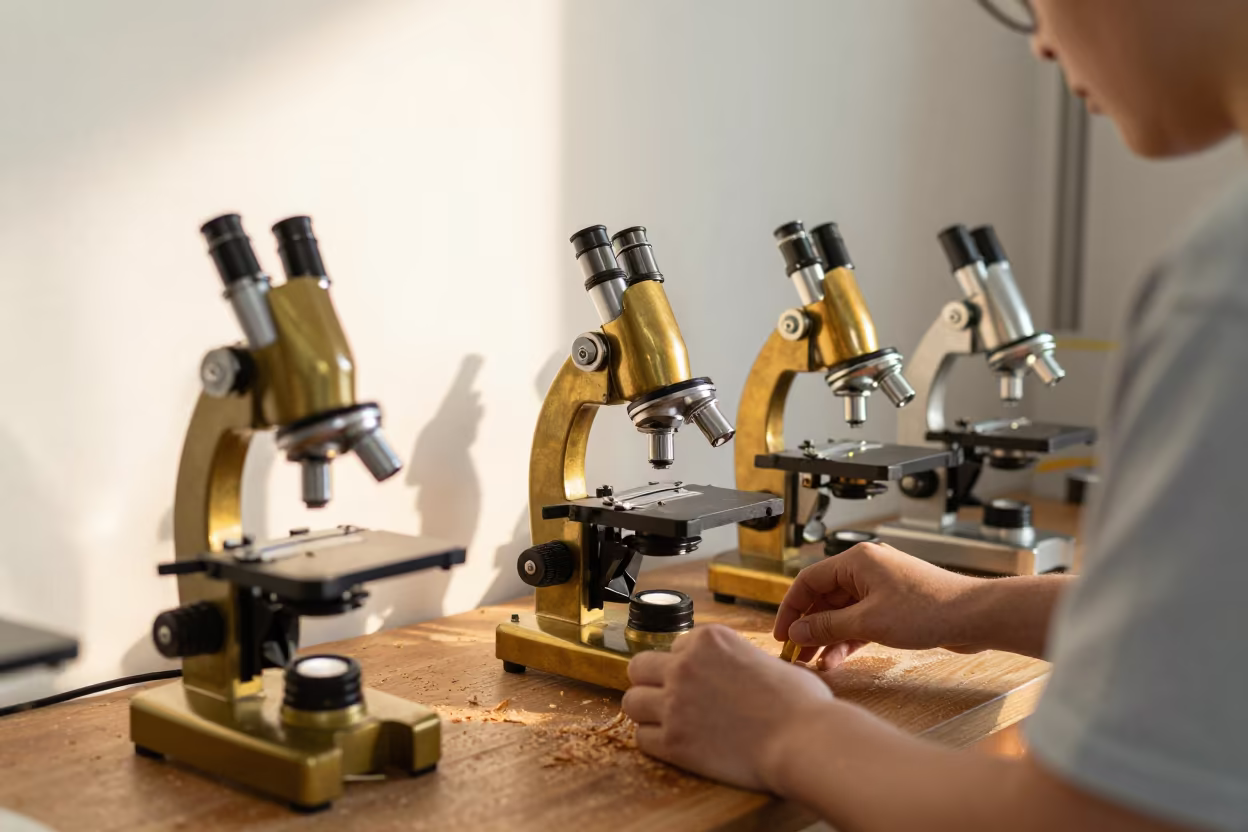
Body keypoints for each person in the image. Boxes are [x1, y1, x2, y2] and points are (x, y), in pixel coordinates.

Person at [622, 1, 1248, 829]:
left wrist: (786, 730)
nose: (1044, 43)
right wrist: (963, 610)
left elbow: (1095, 819)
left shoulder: (1222, 291)